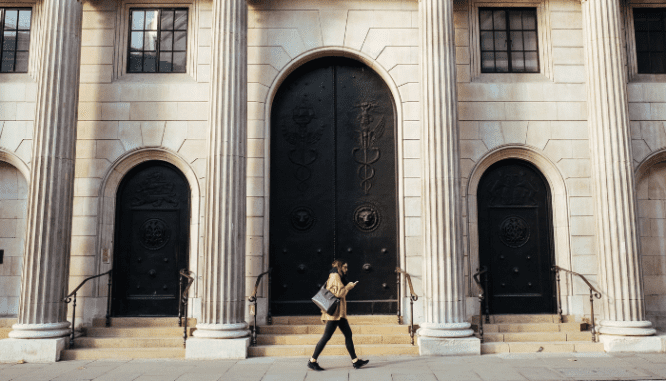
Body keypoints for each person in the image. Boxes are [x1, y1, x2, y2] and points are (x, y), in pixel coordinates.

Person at [307, 259, 370, 371]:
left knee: (348, 334)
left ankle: (355, 361)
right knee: (326, 337)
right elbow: (339, 293)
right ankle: (312, 360)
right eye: (345, 267)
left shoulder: (337, 276)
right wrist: (348, 287)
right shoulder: (334, 276)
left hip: (339, 314)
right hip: (334, 314)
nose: (346, 269)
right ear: (339, 267)